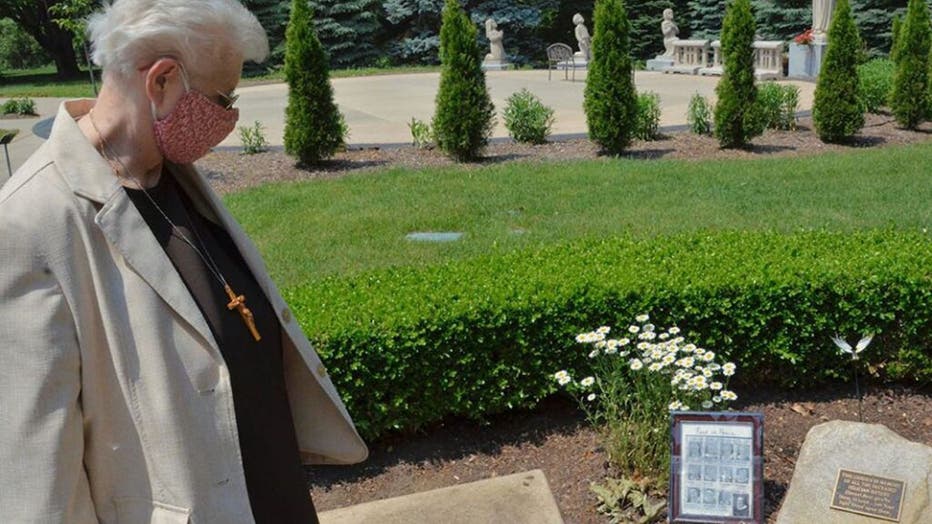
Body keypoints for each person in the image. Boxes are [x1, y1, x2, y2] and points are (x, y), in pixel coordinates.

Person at [0, 1, 367, 522]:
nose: (230, 117)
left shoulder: (164, 173)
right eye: (222, 98)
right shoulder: (28, 225)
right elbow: (37, 487)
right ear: (163, 82)